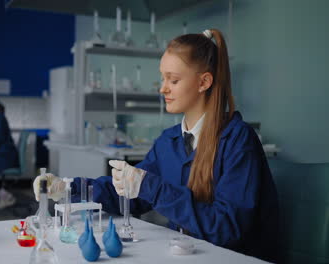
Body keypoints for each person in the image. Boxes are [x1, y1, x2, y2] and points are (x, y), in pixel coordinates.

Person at [33, 29, 279, 262]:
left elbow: (226, 229)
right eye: (163, 78)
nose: (163, 88)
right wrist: (68, 187)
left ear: (204, 82)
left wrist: (151, 186)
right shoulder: (169, 141)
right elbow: (131, 197)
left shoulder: (238, 140)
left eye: (173, 80)